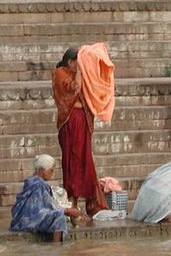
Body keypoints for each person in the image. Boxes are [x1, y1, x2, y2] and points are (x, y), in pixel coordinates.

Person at [52, 47, 108, 217]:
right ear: (71, 62)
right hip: (70, 123)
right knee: (72, 161)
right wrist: (81, 72)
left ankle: (91, 204)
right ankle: (73, 203)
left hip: (83, 121)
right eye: (79, 62)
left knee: (86, 161)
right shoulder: (60, 73)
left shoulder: (78, 73)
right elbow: (75, 88)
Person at [10, 154, 81, 241]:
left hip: (20, 220)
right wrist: (68, 211)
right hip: (31, 221)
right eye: (51, 171)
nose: (52, 174)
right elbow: (50, 207)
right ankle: (57, 246)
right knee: (59, 216)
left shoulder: (30, 182)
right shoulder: (40, 185)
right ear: (43, 170)